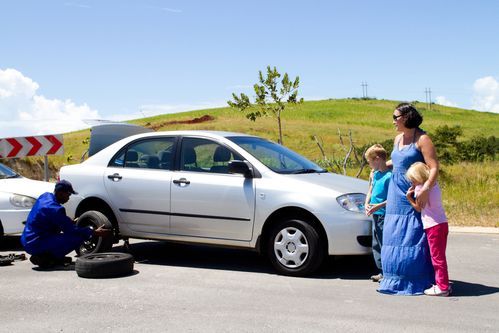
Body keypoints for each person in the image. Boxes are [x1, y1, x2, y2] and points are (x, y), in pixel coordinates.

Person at [378, 103, 437, 295]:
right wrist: (380, 166)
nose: (393, 120)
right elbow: (397, 161)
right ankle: (394, 278)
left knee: (413, 234)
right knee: (394, 234)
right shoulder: (397, 138)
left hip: (413, 192)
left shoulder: (422, 139)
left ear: (406, 117)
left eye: (396, 117)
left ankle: (414, 279)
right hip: (395, 193)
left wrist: (426, 189)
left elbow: (434, 167)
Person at [21, 179, 110, 268]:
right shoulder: (55, 209)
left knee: (61, 231)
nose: (69, 197)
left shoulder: (45, 196)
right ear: (60, 193)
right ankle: (47, 258)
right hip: (36, 243)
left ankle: (46, 255)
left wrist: (67, 220)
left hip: (27, 240)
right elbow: (71, 230)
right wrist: (94, 232)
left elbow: (49, 218)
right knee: (78, 236)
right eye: (68, 194)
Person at [406, 162, 451, 296]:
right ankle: (444, 284)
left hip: (432, 226)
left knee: (437, 258)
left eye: (412, 179)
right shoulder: (434, 185)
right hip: (442, 223)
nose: (412, 182)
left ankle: (442, 287)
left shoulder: (420, 189)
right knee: (440, 256)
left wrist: (409, 198)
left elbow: (419, 208)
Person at [364, 144, 392, 282]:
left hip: (383, 213)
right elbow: (370, 189)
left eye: (370, 162)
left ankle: (387, 272)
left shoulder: (389, 176)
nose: (369, 165)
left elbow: (391, 199)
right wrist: (366, 203)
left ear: (377, 159)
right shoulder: (375, 174)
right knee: (375, 243)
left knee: (383, 242)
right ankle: (381, 270)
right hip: (375, 213)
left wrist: (377, 206)